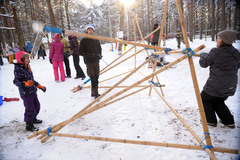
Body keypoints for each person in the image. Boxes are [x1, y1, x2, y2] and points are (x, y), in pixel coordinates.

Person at [199, 30, 240, 128]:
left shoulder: (215, 51)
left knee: (204, 98)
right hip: (229, 86)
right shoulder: (235, 53)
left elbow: (203, 63)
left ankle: (210, 120)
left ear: (224, 41)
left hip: (215, 86)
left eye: (219, 38)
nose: (217, 40)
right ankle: (229, 121)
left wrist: (203, 55)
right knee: (218, 101)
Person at [13, 51, 46, 131]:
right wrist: (24, 83)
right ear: (21, 59)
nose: (28, 59)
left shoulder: (27, 67)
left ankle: (33, 119)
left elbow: (31, 80)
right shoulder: (18, 68)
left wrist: (38, 85)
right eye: (26, 58)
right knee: (30, 108)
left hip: (32, 91)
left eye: (28, 58)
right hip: (25, 93)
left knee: (37, 106)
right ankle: (29, 124)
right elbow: (15, 81)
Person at [79, 24, 102, 98]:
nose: (90, 31)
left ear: (93, 31)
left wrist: (99, 55)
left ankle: (93, 91)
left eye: (91, 30)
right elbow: (81, 52)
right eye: (89, 30)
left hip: (96, 61)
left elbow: (99, 49)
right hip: (89, 62)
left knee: (96, 77)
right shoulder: (84, 40)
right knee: (92, 78)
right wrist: (90, 55)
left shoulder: (96, 39)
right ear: (87, 31)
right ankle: (95, 93)